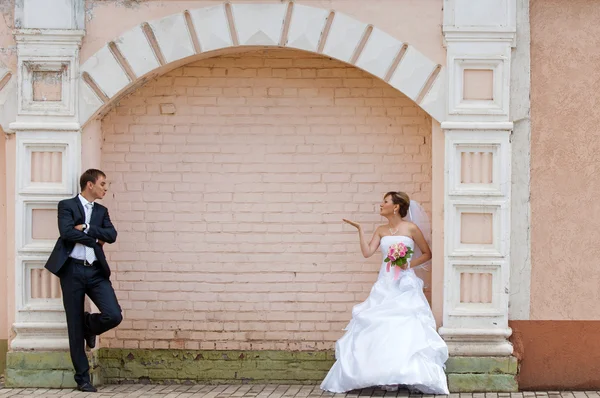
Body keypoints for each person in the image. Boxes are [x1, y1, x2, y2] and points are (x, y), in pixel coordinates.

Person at [320, 191, 449, 394]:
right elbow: (367, 252)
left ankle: (408, 373)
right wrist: (360, 230)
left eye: (385, 202)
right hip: (385, 283)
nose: (381, 205)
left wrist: (409, 264)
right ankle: (383, 373)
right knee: (381, 326)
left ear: (396, 207)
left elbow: (427, 253)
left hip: (405, 284)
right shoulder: (381, 230)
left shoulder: (411, 228)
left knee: (406, 325)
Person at [44, 169, 122, 393]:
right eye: (103, 184)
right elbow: (66, 233)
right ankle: (82, 378)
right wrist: (95, 239)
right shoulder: (67, 206)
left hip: (96, 272)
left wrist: (87, 228)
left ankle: (89, 325)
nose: (105, 188)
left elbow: (112, 235)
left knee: (113, 315)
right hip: (72, 271)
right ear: (90, 185)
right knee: (73, 325)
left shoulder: (102, 211)